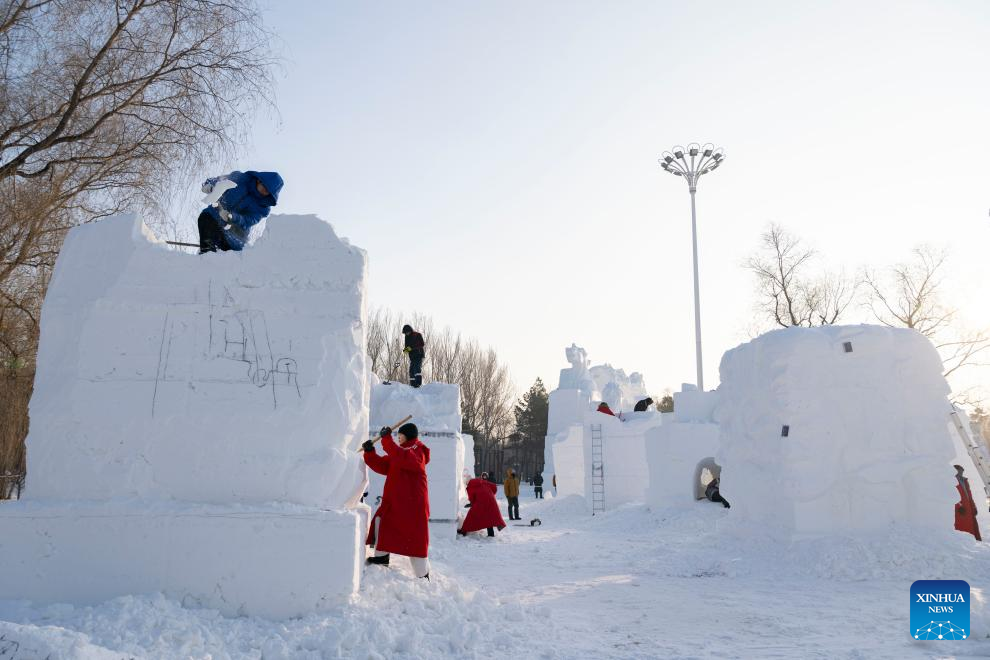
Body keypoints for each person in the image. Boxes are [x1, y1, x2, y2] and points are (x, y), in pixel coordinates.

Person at [362, 422, 432, 578]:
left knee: (415, 542)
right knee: (383, 523)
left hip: (413, 507)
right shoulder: (401, 453)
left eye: (399, 435)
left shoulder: (417, 450)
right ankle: (381, 558)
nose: (398, 438)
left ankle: (423, 575)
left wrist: (387, 440)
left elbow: (402, 457)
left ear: (407, 436)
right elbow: (383, 465)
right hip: (396, 503)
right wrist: (370, 452)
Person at [198, 171, 284, 253]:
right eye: (264, 187)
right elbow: (220, 180)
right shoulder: (240, 178)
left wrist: (232, 217)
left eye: (268, 191)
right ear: (259, 180)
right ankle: (207, 253)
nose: (264, 191)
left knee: (229, 256)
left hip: (234, 235)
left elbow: (249, 220)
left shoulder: (263, 208)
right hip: (214, 215)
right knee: (205, 219)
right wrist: (209, 185)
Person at [954, 464, 982, 541]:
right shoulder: (952, 481)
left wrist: (974, 507)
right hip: (960, 508)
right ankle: (965, 540)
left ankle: (973, 539)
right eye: (959, 471)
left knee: (971, 525)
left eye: (962, 471)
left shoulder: (964, 481)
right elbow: (952, 495)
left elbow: (970, 496)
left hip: (968, 506)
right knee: (963, 525)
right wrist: (959, 506)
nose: (961, 473)